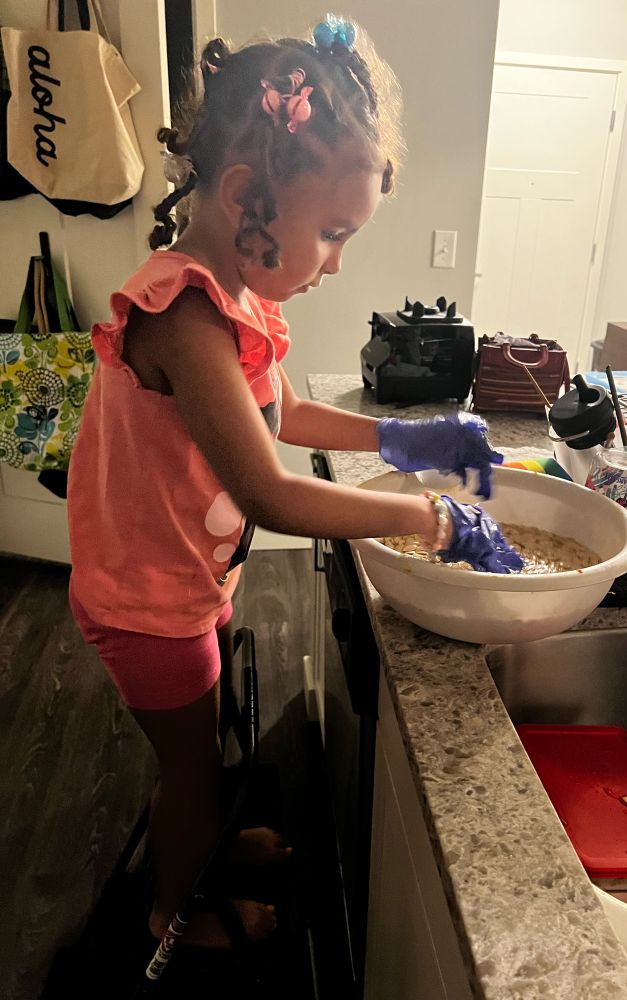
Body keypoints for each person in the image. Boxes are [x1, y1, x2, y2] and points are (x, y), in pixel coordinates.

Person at [67, 15, 517, 951]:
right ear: (244, 197)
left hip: (184, 581)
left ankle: (210, 851)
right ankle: (171, 919)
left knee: (211, 745)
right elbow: (272, 490)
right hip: (144, 603)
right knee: (188, 772)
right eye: (334, 232)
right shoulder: (183, 314)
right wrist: (430, 518)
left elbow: (282, 419)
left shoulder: (235, 298)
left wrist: (407, 436)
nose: (338, 261)